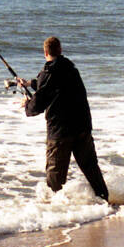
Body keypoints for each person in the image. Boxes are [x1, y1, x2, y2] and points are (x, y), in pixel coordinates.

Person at [15, 36, 110, 203]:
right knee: (91, 169)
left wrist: (26, 104)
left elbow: (37, 106)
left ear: (45, 52)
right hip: (82, 127)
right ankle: (105, 202)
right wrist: (29, 83)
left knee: (55, 177)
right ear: (60, 51)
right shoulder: (71, 69)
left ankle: (57, 211)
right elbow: (52, 84)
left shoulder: (48, 73)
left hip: (60, 133)